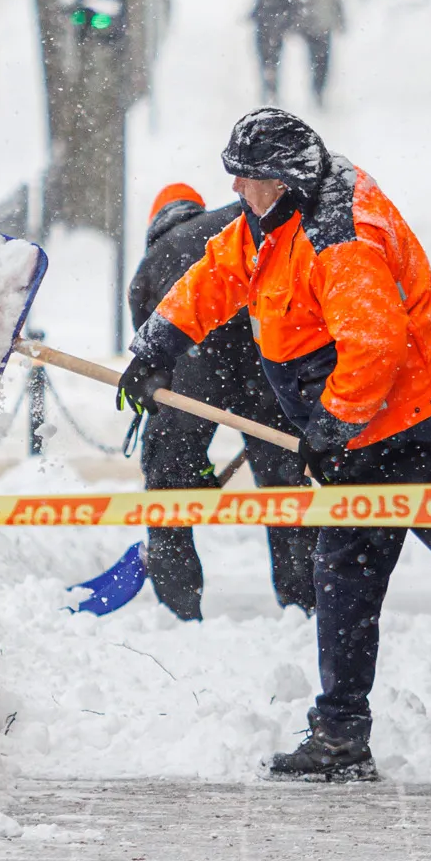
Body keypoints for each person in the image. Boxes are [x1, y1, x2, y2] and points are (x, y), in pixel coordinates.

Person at [119, 109, 431, 782]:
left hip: (410, 425)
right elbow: (219, 275)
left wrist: (330, 429)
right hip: (379, 425)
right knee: (369, 571)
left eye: (248, 179)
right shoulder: (272, 224)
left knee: (412, 562)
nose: (237, 190)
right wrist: (160, 343)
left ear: (285, 178)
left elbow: (374, 345)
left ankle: (348, 732)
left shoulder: (340, 234)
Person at [123, 183, 317, 621]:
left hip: (194, 368)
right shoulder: (226, 228)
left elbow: (154, 359)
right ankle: (305, 605)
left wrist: (187, 466)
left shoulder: (152, 261)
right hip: (266, 360)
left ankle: (179, 611)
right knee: (285, 482)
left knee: (168, 484)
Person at [298, 0, 345, 106]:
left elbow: (338, 8)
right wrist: (303, 30)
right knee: (314, 63)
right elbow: (300, 13)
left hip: (325, 32)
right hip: (312, 34)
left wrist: (340, 23)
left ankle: (321, 90)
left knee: (324, 64)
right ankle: (316, 91)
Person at [249, 0, 296, 105]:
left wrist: (282, 27)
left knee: (274, 65)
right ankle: (266, 93)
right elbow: (255, 13)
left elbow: (291, 15)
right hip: (262, 36)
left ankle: (273, 93)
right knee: (264, 66)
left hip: (276, 37)